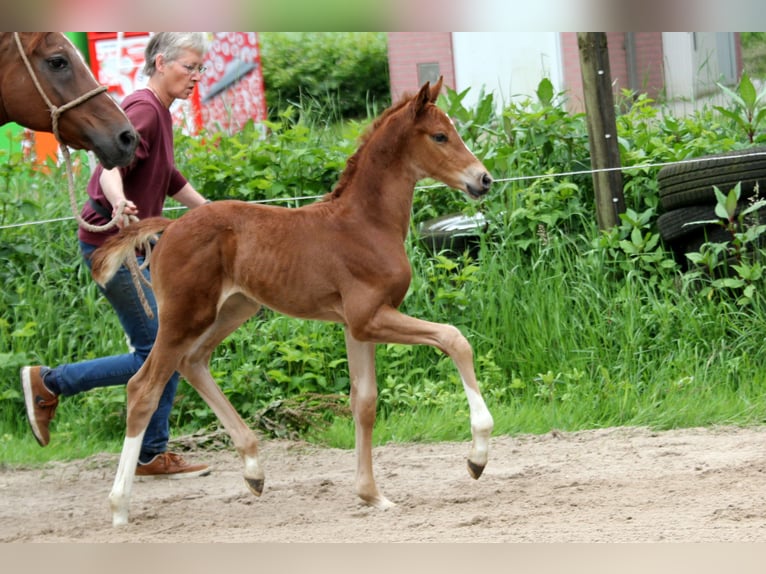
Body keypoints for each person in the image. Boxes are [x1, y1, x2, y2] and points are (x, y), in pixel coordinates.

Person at [21, 33, 212, 478]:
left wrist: (215, 214)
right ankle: (51, 383)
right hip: (115, 243)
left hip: (137, 246)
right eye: (190, 67)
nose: (196, 77)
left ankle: (149, 452)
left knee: (166, 345)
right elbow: (109, 166)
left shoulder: (158, 112)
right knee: (159, 349)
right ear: (161, 62)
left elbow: (167, 176)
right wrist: (120, 201)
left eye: (200, 69)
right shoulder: (144, 107)